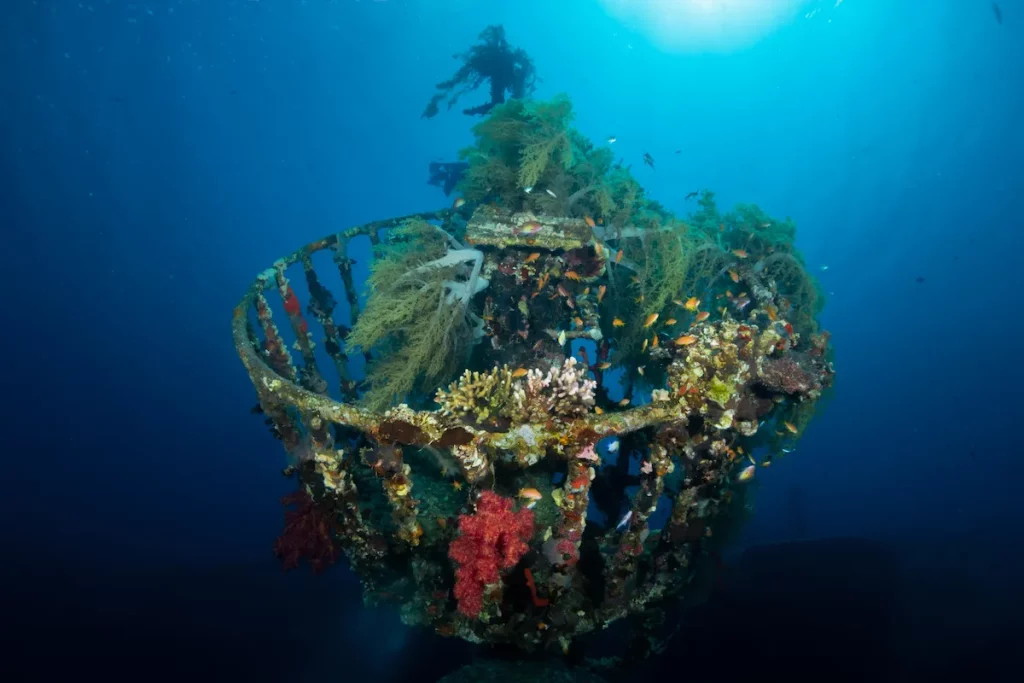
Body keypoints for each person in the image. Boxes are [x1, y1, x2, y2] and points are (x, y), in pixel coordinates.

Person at [422, 25, 537, 119]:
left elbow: (498, 103)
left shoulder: (501, 57)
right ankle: (449, 88)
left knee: (507, 103)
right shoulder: (499, 57)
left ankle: (450, 87)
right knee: (506, 103)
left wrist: (474, 110)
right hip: (502, 71)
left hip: (503, 72)